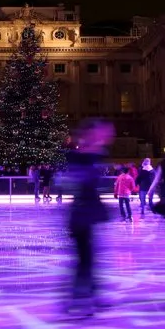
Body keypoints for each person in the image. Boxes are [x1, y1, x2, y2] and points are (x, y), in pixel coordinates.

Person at [63, 118, 114, 316]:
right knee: (85, 259)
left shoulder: (92, 156)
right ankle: (78, 298)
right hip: (79, 216)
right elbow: (81, 184)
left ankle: (89, 295)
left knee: (88, 258)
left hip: (86, 215)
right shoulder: (79, 157)